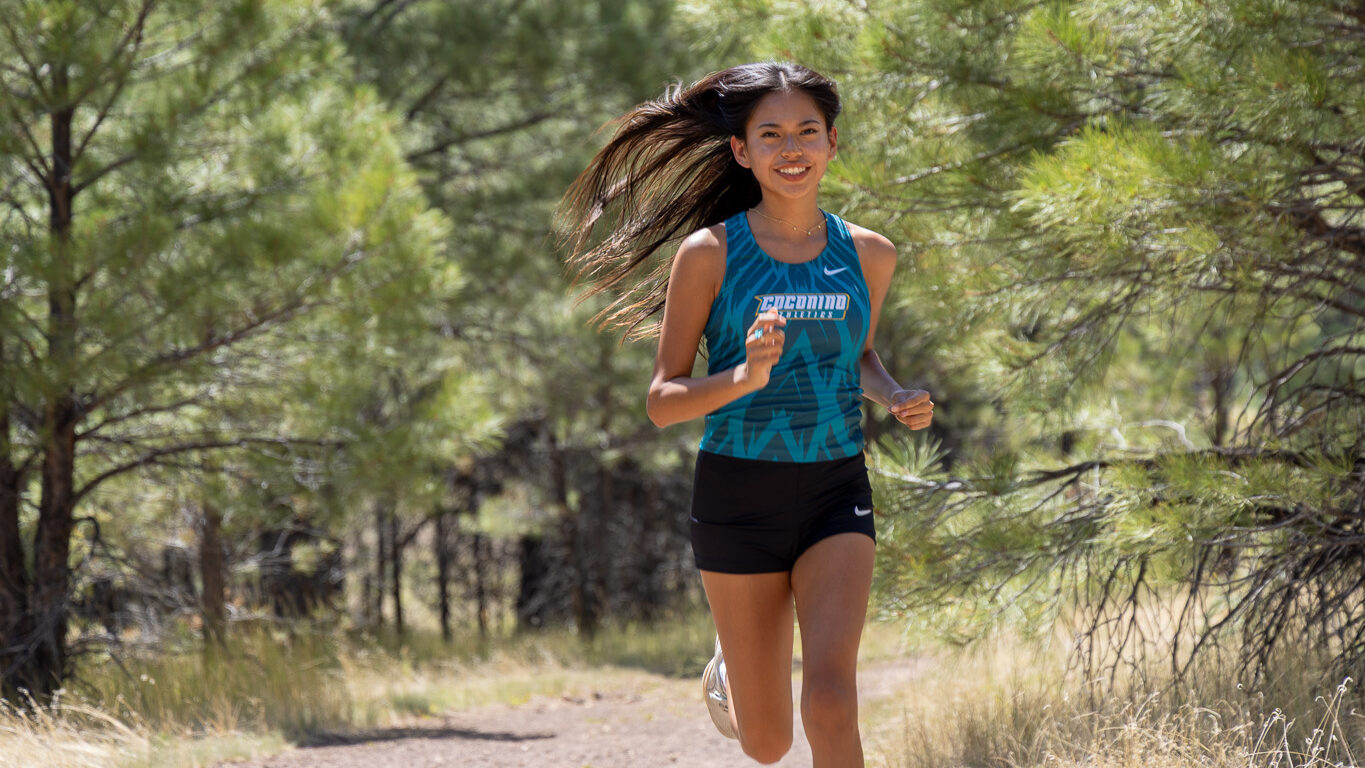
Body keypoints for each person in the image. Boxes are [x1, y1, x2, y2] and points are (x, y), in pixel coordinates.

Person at [559, 61, 934, 767]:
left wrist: (891, 394)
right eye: (769, 134)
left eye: (806, 132)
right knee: (766, 744)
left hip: (834, 488)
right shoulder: (709, 255)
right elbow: (663, 401)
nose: (790, 148)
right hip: (737, 494)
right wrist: (743, 375)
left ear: (831, 144)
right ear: (741, 151)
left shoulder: (869, 254)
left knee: (830, 697)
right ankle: (732, 671)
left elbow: (858, 354)